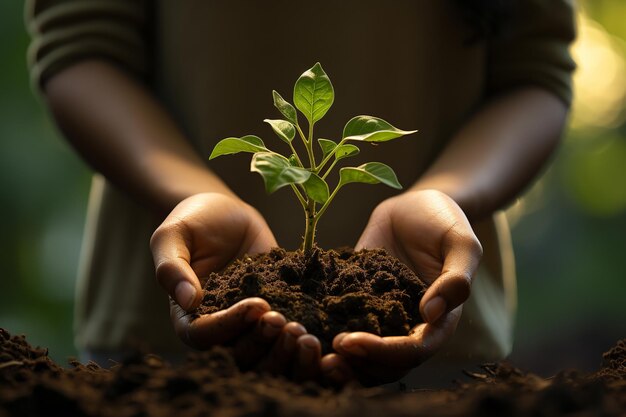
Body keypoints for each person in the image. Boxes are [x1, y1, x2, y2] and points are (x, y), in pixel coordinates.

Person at [26, 0, 576, 385]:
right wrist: (189, 194)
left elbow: (535, 68)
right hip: (162, 354)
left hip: (430, 344)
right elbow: (80, 43)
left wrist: (445, 196)